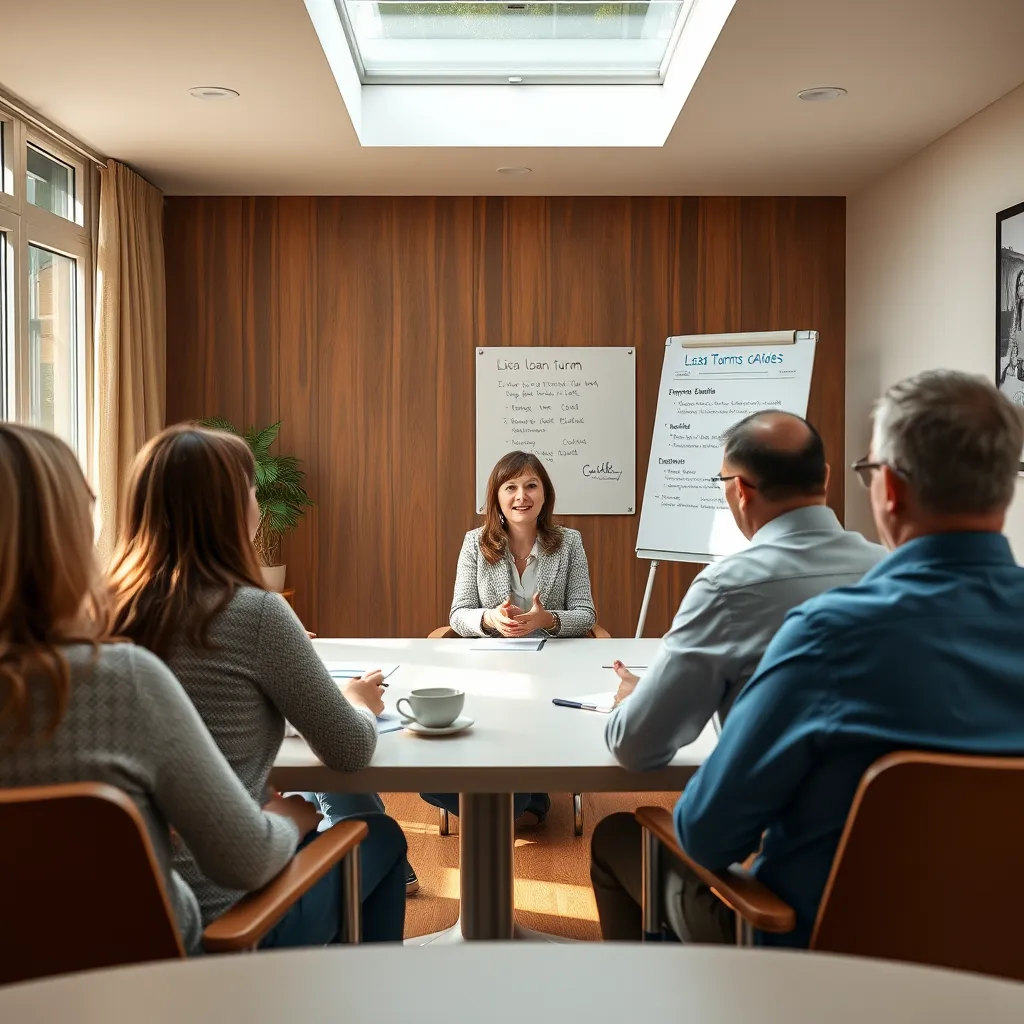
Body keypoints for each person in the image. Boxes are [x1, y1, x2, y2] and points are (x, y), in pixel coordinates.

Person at [665, 370, 1024, 948]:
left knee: (633, 852)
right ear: (1004, 487)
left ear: (890, 489)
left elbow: (707, 832)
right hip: (1005, 963)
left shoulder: (828, 634)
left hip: (834, 961)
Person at [0, 424, 318, 955]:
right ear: (57, 538)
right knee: (371, 840)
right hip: (152, 979)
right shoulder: (118, 679)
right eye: (86, 510)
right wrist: (289, 818)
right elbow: (241, 858)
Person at [590, 410, 884, 940]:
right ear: (826, 479)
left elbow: (637, 748)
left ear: (741, 492)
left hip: (791, 909)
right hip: (912, 902)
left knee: (616, 837)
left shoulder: (729, 588)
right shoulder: (891, 574)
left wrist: (639, 699)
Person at [108, 424, 407, 943]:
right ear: (228, 508)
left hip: (120, 916)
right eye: (251, 490)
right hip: (226, 916)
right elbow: (349, 750)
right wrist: (356, 701)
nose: (258, 502)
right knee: (379, 835)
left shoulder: (102, 613)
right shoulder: (255, 613)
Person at [430, 450, 597, 826]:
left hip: (553, 666)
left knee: (516, 742)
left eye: (531, 485)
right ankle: (524, 797)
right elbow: (458, 614)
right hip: (492, 665)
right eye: (511, 487)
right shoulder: (475, 543)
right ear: (497, 499)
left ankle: (519, 796)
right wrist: (489, 618)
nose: (522, 495)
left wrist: (548, 618)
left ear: (544, 495)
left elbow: (587, 614)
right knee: (443, 767)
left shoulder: (569, 542)